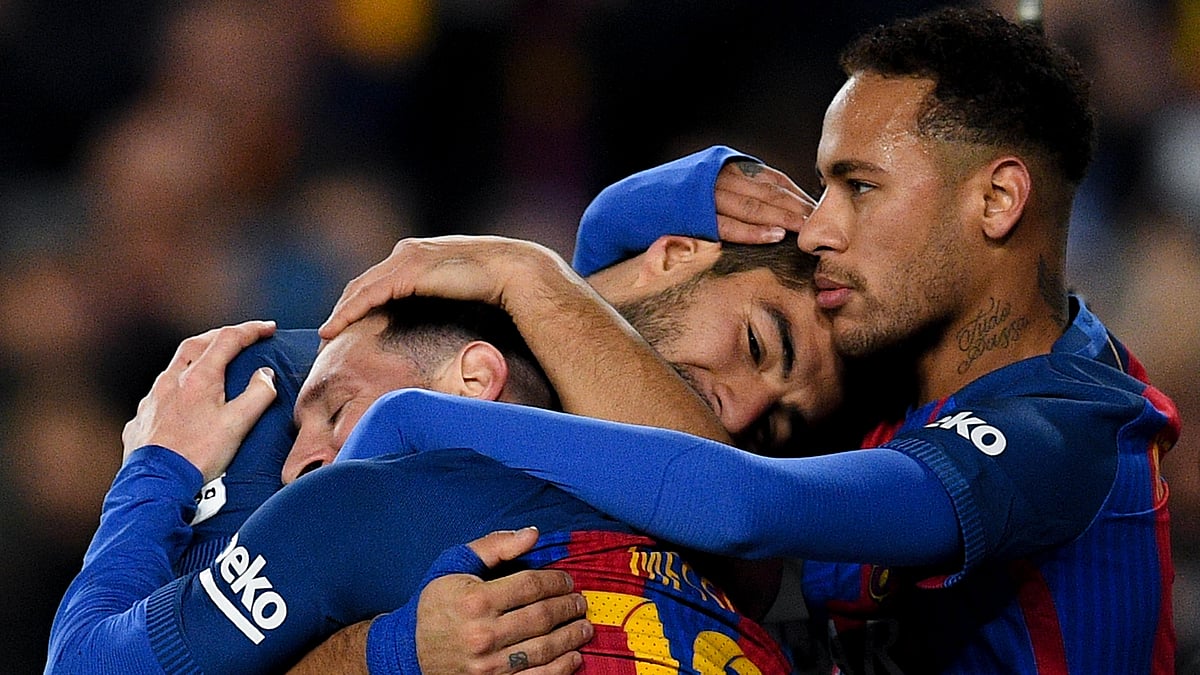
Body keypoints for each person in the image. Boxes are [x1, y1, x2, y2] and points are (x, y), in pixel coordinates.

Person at [317, 7, 1180, 674]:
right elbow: (625, 365)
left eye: (859, 186)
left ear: (995, 203)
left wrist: (425, 409)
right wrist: (640, 208)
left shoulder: (1062, 435)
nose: (818, 227)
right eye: (822, 184)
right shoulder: (892, 369)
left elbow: (740, 507)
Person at [46, 297, 796, 674]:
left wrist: (155, 467)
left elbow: (81, 665)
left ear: (474, 379)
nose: (294, 464)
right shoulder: (671, 513)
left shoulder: (352, 508)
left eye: (335, 409)